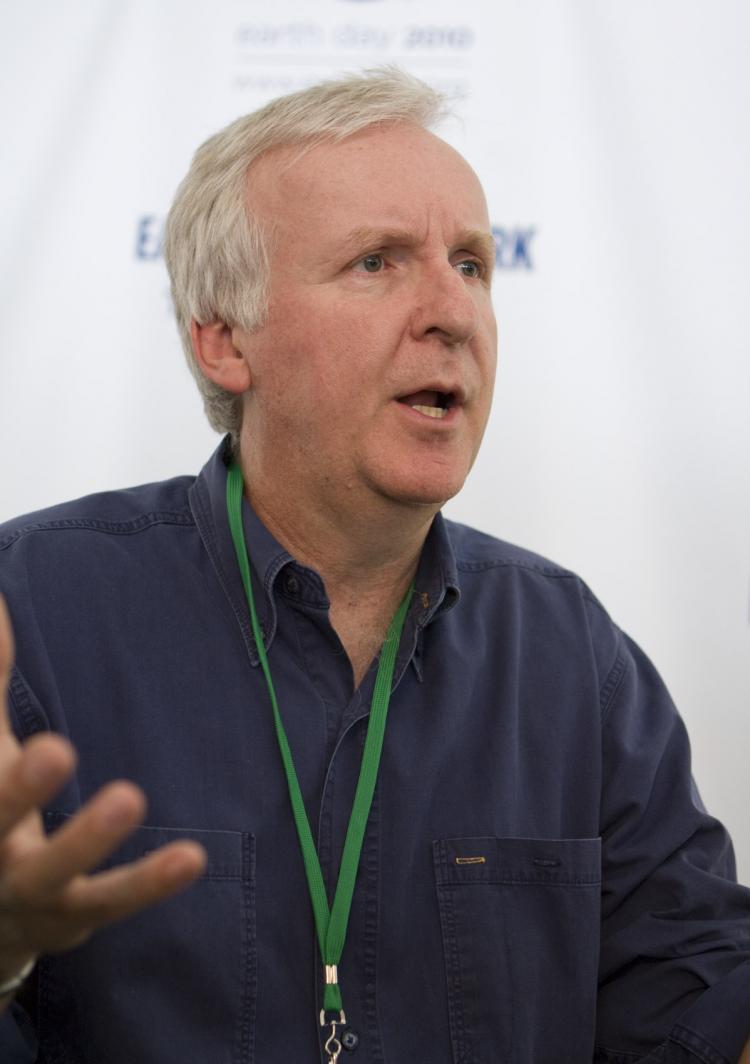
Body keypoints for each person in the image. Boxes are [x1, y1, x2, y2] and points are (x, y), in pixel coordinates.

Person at [0, 67, 748, 1063]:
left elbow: (696, 997)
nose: (452, 311)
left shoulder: (572, 650)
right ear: (223, 337)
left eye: (473, 264)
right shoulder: (34, 612)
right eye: (378, 262)